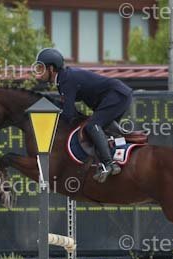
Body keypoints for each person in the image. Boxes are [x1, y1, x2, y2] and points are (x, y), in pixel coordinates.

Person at [35, 48, 133, 183]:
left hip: (116, 95)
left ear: (51, 69)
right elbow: (70, 112)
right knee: (101, 129)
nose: (38, 72)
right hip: (119, 94)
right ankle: (114, 159)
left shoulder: (65, 80)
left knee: (92, 126)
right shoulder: (63, 78)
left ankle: (109, 164)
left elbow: (68, 114)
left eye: (41, 68)